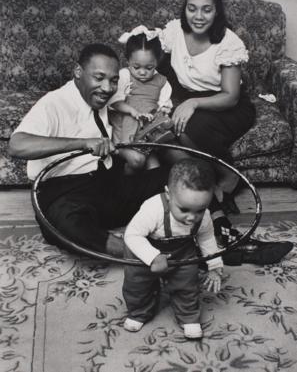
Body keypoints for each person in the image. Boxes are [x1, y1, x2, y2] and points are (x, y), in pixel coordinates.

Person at [155, 0, 293, 263]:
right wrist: (166, 104)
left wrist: (192, 103)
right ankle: (222, 224)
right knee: (165, 140)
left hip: (227, 106)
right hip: (189, 101)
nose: (199, 16)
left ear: (217, 11)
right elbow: (161, 73)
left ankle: (227, 177)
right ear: (185, 9)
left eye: (206, 9)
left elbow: (230, 96)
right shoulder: (174, 33)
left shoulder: (228, 41)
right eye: (192, 8)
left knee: (190, 128)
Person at [8, 43, 170, 254]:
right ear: (78, 72)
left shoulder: (102, 99)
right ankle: (136, 253)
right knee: (69, 225)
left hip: (106, 185)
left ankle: (214, 223)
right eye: (99, 77)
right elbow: (17, 145)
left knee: (177, 175)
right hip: (63, 192)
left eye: (113, 81)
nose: (107, 88)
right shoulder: (53, 103)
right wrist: (83, 143)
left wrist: (124, 151)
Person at [123, 158, 223, 339]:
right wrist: (153, 257)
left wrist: (214, 266)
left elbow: (206, 237)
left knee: (187, 284)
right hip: (145, 248)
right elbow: (132, 235)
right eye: (184, 209)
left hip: (181, 251)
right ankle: (139, 312)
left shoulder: (204, 217)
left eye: (199, 210)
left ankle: (188, 316)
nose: (192, 218)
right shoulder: (153, 209)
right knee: (137, 284)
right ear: (168, 194)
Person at [109, 26, 173, 174]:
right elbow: (114, 103)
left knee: (154, 167)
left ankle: (148, 194)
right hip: (125, 127)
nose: (142, 72)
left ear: (157, 61)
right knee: (137, 162)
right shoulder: (124, 76)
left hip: (146, 130)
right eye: (136, 67)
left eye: (149, 67)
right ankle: (126, 184)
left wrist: (162, 112)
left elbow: (163, 106)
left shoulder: (162, 81)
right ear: (128, 61)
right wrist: (133, 111)